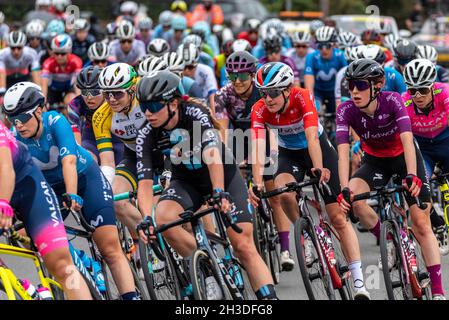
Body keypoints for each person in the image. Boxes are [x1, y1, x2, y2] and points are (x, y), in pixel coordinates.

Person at [135, 70, 278, 300]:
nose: (147, 113)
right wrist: (146, 218)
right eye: (143, 107)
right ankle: (208, 267)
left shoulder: (195, 113)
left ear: (173, 103)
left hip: (222, 175)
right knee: (163, 219)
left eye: (153, 106)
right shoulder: (146, 133)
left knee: (243, 245)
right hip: (186, 182)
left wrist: (219, 191)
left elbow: (213, 154)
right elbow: (144, 181)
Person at [4, 81, 139, 300]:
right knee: (35, 237)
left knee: (109, 247)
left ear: (39, 111)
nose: (18, 125)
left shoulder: (56, 122)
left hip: (84, 179)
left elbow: (68, 161)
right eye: (12, 119)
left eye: (22, 117)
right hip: (50, 190)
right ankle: (80, 260)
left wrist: (73, 193)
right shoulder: (14, 137)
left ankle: (131, 296)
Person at [248, 62, 368, 300]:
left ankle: (359, 280)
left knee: (338, 218)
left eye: (273, 92)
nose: (268, 99)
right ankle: (305, 235)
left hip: (318, 150)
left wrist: (319, 167)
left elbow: (312, 136)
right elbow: (258, 146)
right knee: (283, 193)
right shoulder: (260, 109)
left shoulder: (302, 97)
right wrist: (257, 183)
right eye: (263, 93)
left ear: (286, 90)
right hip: (288, 154)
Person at [336, 58, 445, 300]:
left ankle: (438, 291)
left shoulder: (393, 101)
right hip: (375, 162)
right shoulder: (345, 110)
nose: (354, 91)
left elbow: (408, 139)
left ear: (377, 86)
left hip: (403, 158)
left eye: (361, 85)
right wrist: (344, 187)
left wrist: (413, 175)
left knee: (420, 221)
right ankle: (388, 240)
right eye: (351, 85)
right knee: (355, 200)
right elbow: (342, 152)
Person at [214, 52, 295, 270]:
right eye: (233, 76)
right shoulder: (223, 95)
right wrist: (224, 157)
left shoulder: (262, 94)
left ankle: (285, 249)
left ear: (251, 75)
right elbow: (221, 130)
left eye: (242, 76)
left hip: (265, 138)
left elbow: (271, 128)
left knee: (274, 196)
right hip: (239, 142)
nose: (237, 81)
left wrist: (273, 153)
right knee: (235, 184)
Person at [0, 116, 92, 300]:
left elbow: (5, 168)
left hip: (28, 188)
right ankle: (27, 291)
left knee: (61, 265)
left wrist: (3, 202)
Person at [93, 63, 146, 249]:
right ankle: (151, 238)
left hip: (161, 155)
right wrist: (104, 189)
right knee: (115, 199)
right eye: (106, 94)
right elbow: (107, 160)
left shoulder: (146, 100)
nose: (111, 99)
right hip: (134, 156)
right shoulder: (101, 116)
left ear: (132, 89)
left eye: (117, 93)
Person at [402, 58, 449, 256]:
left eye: (423, 89)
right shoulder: (403, 102)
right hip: (423, 149)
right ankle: (437, 224)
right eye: (413, 90)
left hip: (446, 142)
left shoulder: (445, 93)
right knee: (417, 188)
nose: (418, 95)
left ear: (432, 86)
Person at [68, 66, 124, 163]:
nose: (89, 97)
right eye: (85, 92)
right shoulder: (75, 104)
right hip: (91, 140)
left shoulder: (115, 101)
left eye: (95, 92)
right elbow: (75, 139)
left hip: (118, 140)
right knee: (88, 160)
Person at [304, 26, 347, 114]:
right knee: (316, 110)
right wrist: (311, 102)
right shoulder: (311, 57)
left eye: (327, 46)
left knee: (341, 113)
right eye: (320, 46)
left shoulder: (340, 56)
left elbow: (346, 79)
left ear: (333, 45)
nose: (324, 49)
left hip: (334, 92)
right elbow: (309, 85)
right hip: (318, 92)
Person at [41, 33, 82, 107]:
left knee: (72, 102)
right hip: (52, 90)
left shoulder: (76, 61)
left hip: (68, 89)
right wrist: (43, 102)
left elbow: (77, 84)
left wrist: (80, 103)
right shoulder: (47, 63)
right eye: (56, 53)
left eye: (63, 53)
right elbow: (44, 85)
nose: (59, 56)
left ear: (69, 52)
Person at [177, 43, 218, 110]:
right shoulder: (175, 72)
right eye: (183, 67)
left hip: (205, 105)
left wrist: (213, 116)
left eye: (190, 67)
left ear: (196, 63)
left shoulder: (206, 70)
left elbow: (213, 94)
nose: (187, 71)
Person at [0, 31, 41, 97]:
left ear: (23, 46)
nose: (16, 51)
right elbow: (1, 74)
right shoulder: (3, 54)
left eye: (19, 48)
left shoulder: (31, 53)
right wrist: (2, 91)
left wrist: (39, 91)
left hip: (24, 78)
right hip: (8, 79)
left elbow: (35, 73)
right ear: (9, 46)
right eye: (13, 48)